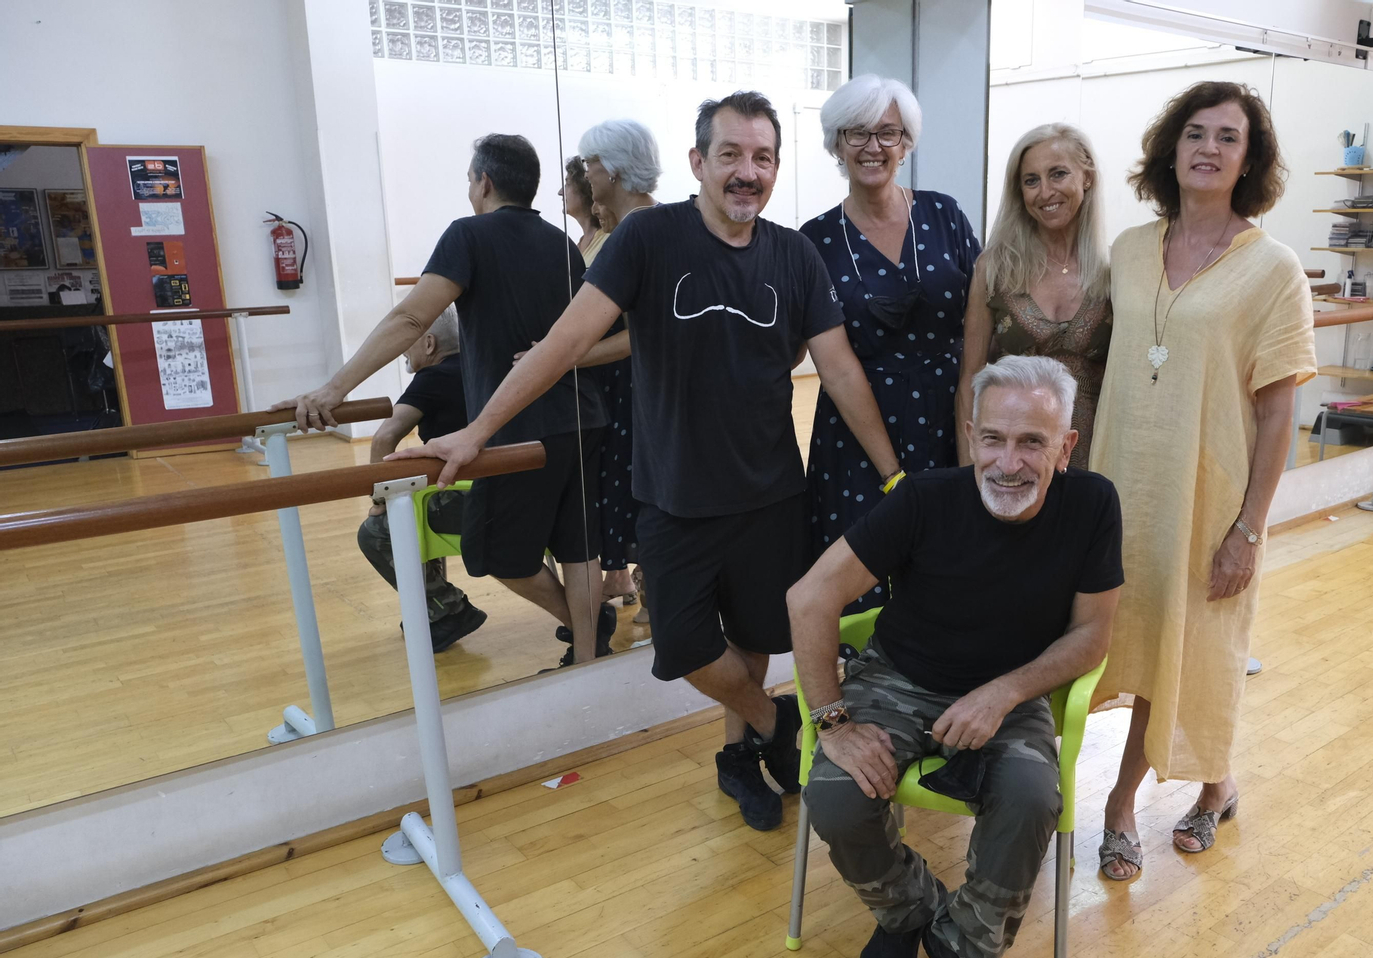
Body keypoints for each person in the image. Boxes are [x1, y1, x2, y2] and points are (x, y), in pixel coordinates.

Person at [394, 92, 904, 833]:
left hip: (769, 494)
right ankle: (773, 723)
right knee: (685, 645)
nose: (746, 171)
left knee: (756, 637)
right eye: (730, 154)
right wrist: (477, 430)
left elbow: (842, 371)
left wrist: (892, 474)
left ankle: (740, 755)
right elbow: (565, 344)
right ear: (698, 162)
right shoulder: (648, 241)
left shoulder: (794, 255)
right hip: (672, 496)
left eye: (762, 157)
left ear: (776, 169)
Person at [787, 355, 1121, 958]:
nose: (1008, 462)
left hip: (1014, 689)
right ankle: (909, 912)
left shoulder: (1093, 504)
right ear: (970, 435)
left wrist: (1003, 692)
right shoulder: (924, 498)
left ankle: (966, 946)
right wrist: (833, 723)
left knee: (1032, 799)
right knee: (836, 796)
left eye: (1033, 442)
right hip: (898, 678)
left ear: (1066, 445)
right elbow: (809, 598)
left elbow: (1091, 636)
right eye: (993, 438)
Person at [274, 133, 614, 671]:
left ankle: (586, 628)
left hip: (520, 428)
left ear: (484, 181)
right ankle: (590, 652)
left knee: (494, 552)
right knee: (578, 547)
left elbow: (411, 319)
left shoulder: (468, 234)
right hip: (585, 415)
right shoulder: (560, 244)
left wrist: (334, 389)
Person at [1091, 82, 1315, 880]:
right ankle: (1217, 785)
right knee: (1130, 640)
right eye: (1195, 133)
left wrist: (1248, 529)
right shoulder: (1126, 249)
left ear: (1249, 160)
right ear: (1171, 148)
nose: (1209, 148)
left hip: (1206, 500)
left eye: (1229, 137)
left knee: (1179, 650)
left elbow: (1280, 412)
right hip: (1121, 490)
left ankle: (1120, 806)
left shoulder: (1273, 270)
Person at [800, 74, 979, 610]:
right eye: (856, 133)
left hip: (951, 420)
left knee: (954, 572)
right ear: (836, 143)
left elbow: (980, 325)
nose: (873, 147)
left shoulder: (944, 214)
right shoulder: (816, 240)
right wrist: (891, 473)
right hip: (858, 434)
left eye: (888, 133)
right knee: (864, 585)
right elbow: (830, 362)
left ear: (907, 143)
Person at [957, 124, 1111, 468]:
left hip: (1097, 453)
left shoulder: (1114, 270)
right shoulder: (994, 268)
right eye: (1031, 181)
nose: (1045, 192)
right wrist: (969, 474)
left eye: (1058, 174)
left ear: (1086, 177)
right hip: (1012, 457)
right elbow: (970, 377)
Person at [355, 305, 487, 653]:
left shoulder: (433, 378)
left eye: (407, 343)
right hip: (501, 485)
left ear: (428, 344)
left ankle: (448, 609)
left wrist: (379, 503)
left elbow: (385, 438)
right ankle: (432, 609)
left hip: (471, 498)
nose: (402, 351)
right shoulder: (482, 367)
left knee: (376, 532)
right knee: (417, 503)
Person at [578, 118, 665, 619]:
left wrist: (567, 355)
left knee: (643, 493)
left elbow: (638, 335)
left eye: (591, 165)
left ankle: (657, 600)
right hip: (632, 389)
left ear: (611, 169)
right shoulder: (638, 223)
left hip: (641, 389)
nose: (587, 174)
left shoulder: (643, 227)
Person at [561, 155, 609, 262]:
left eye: (567, 183)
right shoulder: (577, 246)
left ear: (585, 187)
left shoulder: (608, 241)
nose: (561, 192)